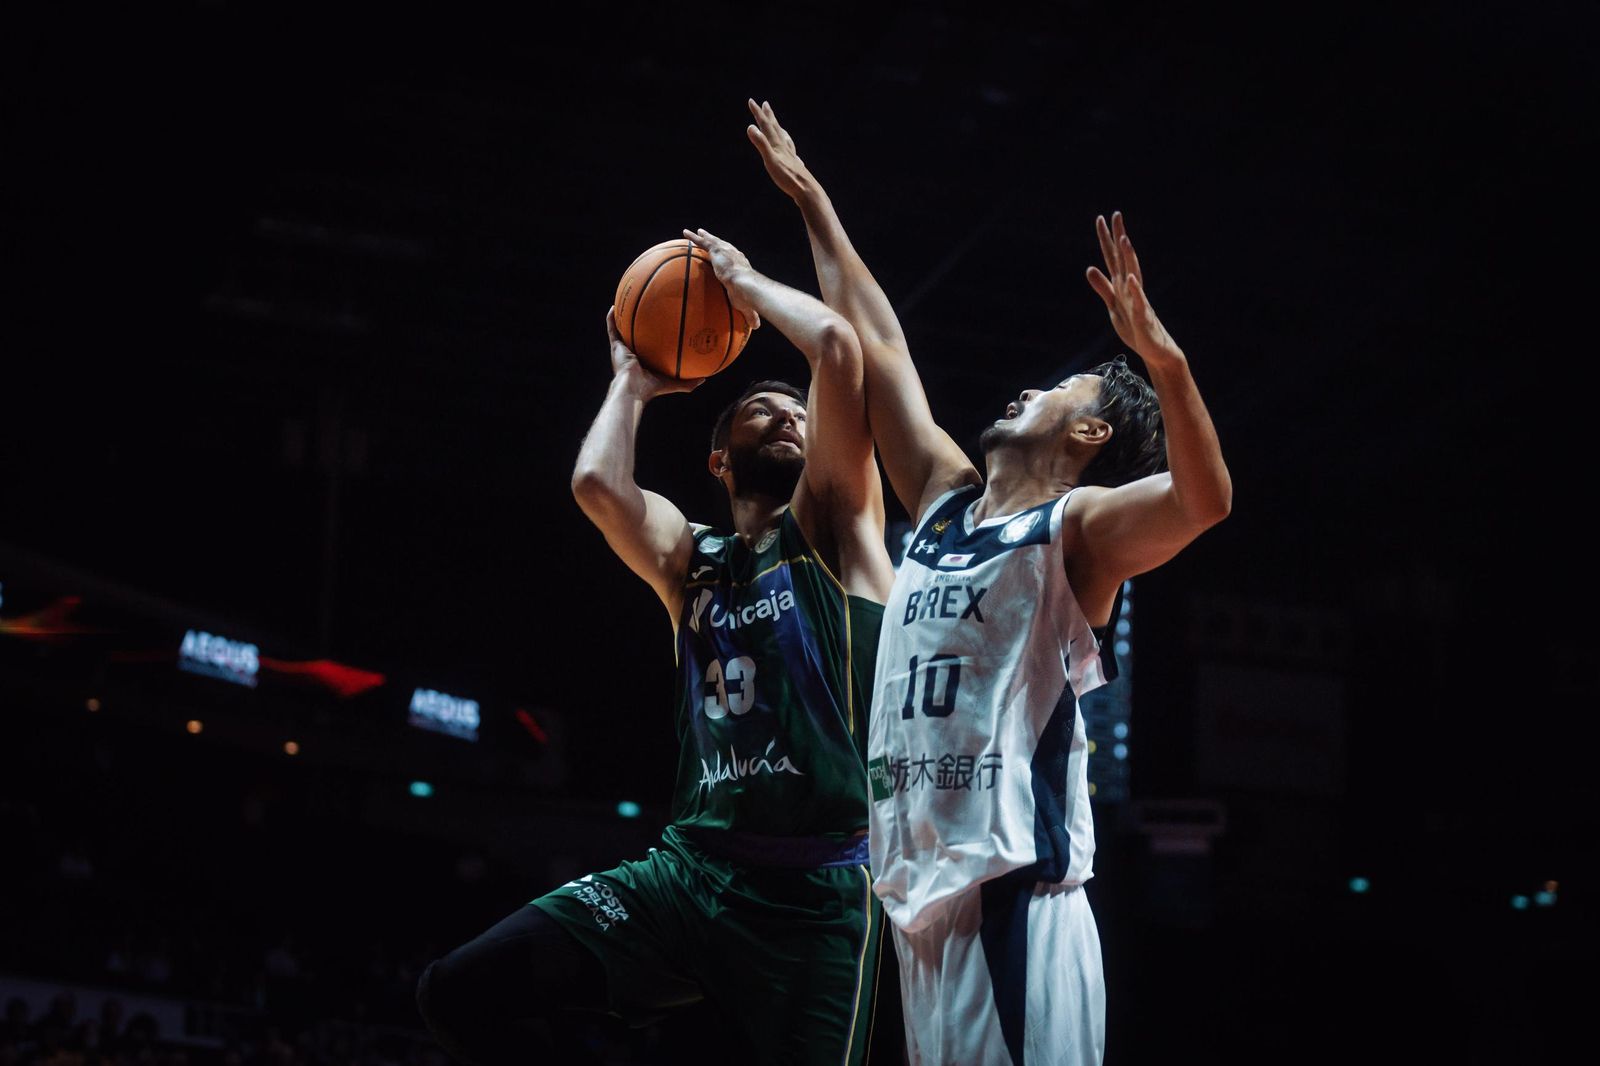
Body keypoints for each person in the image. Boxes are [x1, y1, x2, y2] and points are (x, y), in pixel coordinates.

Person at [747, 99, 1231, 1065]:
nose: (1029, 389)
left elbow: (1203, 500)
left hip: (1019, 904)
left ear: (1087, 434)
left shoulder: (1077, 531)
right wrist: (812, 202)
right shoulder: (940, 500)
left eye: (1059, 391)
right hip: (924, 908)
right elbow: (878, 341)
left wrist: (1164, 362)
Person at [415, 225, 900, 1065]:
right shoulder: (689, 557)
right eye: (762, 410)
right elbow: (597, 485)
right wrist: (633, 385)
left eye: (796, 412)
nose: (787, 416)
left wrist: (742, 284)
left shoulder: (837, 531)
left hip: (815, 895)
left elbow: (833, 342)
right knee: (456, 990)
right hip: (686, 876)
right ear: (718, 461)